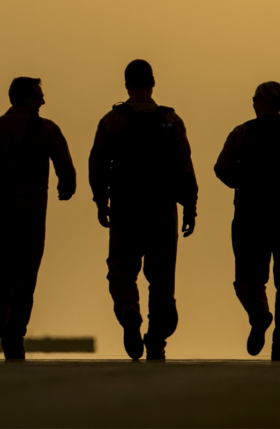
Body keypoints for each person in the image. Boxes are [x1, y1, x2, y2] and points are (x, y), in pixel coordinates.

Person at [89, 59, 198, 360]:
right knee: (161, 277)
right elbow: (184, 166)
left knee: (121, 267)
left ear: (126, 84)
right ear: (153, 82)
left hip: (126, 206)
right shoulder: (171, 121)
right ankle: (156, 341)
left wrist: (101, 202)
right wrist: (190, 206)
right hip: (162, 208)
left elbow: (97, 164)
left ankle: (128, 311)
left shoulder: (113, 120)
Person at [214, 82, 280, 362]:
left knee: (249, 278)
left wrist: (244, 184)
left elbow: (222, 169)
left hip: (251, 216)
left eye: (254, 99)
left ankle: (259, 313)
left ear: (262, 103)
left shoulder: (242, 133)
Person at [0, 77, 76, 360]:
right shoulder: (46, 129)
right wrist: (66, 186)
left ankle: (2, 314)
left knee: (3, 272)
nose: (43, 101)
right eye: (39, 96)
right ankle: (14, 334)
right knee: (24, 277)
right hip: (30, 216)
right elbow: (66, 170)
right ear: (27, 99)